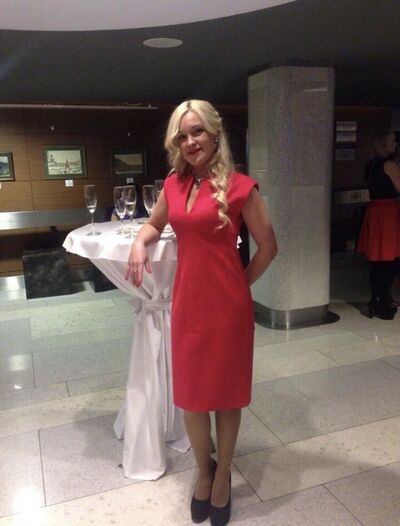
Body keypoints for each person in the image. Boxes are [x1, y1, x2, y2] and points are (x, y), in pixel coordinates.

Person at [126, 100, 277, 525]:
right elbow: (154, 224)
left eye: (197, 132)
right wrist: (140, 241)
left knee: (227, 397)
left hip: (228, 309)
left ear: (214, 134)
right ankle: (203, 470)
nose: (190, 142)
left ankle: (223, 473)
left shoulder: (242, 187)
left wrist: (240, 285)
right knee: (192, 399)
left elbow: (269, 247)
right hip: (188, 305)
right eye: (182, 136)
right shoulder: (173, 185)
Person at [357, 130, 400, 319]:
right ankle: (382, 301)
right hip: (388, 212)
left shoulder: (371, 164)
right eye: (393, 141)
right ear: (383, 142)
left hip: (375, 211)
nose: (396, 144)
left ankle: (376, 300)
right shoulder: (389, 164)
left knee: (378, 261)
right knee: (390, 260)